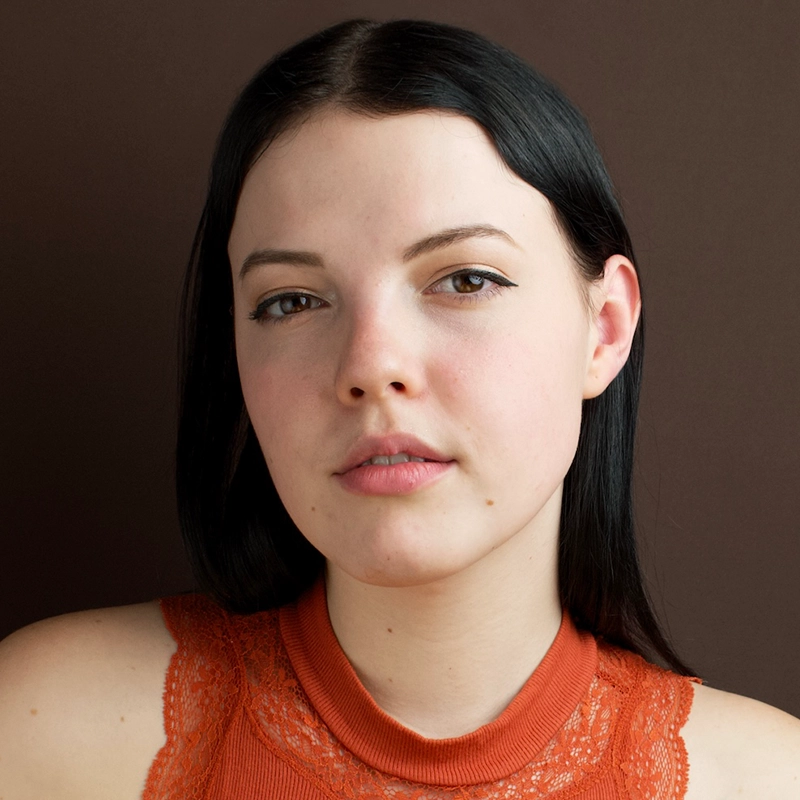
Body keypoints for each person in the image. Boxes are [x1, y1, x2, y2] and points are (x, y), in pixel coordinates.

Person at [0, 17, 798, 800]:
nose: (371, 365)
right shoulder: (45, 732)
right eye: (291, 300)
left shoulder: (769, 781)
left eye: (466, 280)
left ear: (606, 328)